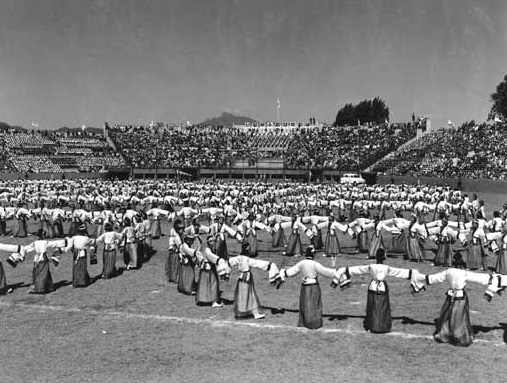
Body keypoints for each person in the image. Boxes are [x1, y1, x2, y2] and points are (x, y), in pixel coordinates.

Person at [333, 248, 424, 334]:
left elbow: (358, 269)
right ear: (384, 257)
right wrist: (413, 272)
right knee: (382, 306)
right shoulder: (387, 268)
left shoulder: (371, 266)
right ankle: (383, 327)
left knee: (372, 307)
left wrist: (344, 270)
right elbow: (400, 272)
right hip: (382, 288)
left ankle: (372, 326)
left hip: (372, 287)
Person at [417, 257, 493, 347]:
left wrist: (421, 277)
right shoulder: (463, 273)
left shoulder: (448, 271)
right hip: (460, 297)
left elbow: (434, 278)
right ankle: (458, 335)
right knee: (459, 316)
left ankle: (444, 334)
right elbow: (478, 278)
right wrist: (492, 278)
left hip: (450, 296)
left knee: (448, 315)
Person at [278, 246, 336, 329]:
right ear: (313, 255)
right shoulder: (315, 264)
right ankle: (313, 323)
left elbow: (291, 272)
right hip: (313, 286)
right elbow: (326, 272)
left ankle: (304, 322)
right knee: (314, 304)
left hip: (304, 287)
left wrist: (283, 273)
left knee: (305, 304)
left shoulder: (301, 263)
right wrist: (337, 272)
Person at [227, 243, 281, 320]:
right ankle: (254, 313)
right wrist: (270, 265)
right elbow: (258, 263)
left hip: (241, 278)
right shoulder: (247, 260)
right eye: (249, 248)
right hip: (247, 278)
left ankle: (243, 312)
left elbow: (228, 262)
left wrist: (225, 272)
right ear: (246, 249)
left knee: (242, 295)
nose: (250, 250)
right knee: (250, 294)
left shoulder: (238, 258)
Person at [23, 229, 66, 294]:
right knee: (43, 272)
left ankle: (46, 286)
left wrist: (19, 250)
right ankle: (42, 288)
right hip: (43, 259)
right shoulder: (45, 242)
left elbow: (27, 248)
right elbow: (54, 243)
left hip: (37, 259)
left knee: (37, 272)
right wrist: (65, 242)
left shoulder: (35, 243)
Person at [166, 219, 184, 283]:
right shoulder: (177, 237)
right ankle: (175, 278)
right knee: (175, 266)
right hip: (176, 253)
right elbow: (180, 246)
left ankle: (172, 277)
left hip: (173, 252)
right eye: (181, 229)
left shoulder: (176, 236)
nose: (182, 231)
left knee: (172, 265)